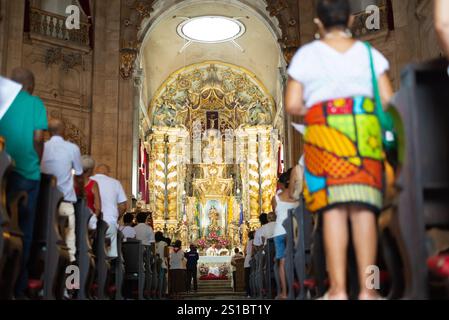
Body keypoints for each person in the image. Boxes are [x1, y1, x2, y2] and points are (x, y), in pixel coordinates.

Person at [285, 0, 394, 300]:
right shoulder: (369, 53)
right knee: (364, 213)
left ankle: (338, 289)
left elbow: (293, 104)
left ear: (318, 23)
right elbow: (387, 99)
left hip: (324, 136)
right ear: (348, 18)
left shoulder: (307, 55)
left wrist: (322, 108)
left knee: (332, 212)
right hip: (363, 137)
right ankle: (369, 290)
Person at [0, 68, 48, 298]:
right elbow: (38, 138)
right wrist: (36, 162)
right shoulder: (35, 103)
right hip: (26, 173)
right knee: (24, 231)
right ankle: (16, 289)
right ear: (30, 86)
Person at [41, 118, 83, 262]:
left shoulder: (42, 147)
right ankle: (70, 281)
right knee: (70, 241)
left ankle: (44, 274)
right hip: (65, 201)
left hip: (45, 201)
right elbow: (79, 175)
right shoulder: (72, 148)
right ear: (63, 131)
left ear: (48, 132)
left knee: (44, 238)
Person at [272, 169, 299, 300]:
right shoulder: (297, 197)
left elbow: (275, 212)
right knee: (298, 258)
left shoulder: (276, 197)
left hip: (279, 231)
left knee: (282, 262)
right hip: (295, 232)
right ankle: (301, 288)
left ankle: (284, 292)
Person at [91, 164, 127, 258]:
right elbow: (123, 206)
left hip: (90, 222)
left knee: (88, 250)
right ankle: (107, 269)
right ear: (108, 173)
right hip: (110, 222)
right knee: (110, 254)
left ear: (95, 171)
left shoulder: (89, 181)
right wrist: (117, 218)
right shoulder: (115, 183)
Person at [80, 155, 102, 229]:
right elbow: (98, 207)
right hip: (88, 218)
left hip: (75, 216)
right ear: (90, 170)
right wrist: (93, 218)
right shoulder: (93, 184)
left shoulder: (73, 181)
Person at [155, 232, 168, 298]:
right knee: (162, 279)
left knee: (157, 279)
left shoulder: (153, 243)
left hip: (154, 263)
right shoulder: (164, 243)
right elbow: (166, 254)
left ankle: (158, 294)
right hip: (162, 262)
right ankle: (162, 294)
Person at [244, 231, 255, 298]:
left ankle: (248, 292)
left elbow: (244, 251)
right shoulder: (254, 241)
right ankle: (252, 292)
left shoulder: (247, 242)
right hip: (251, 258)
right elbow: (253, 250)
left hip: (247, 259)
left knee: (247, 277)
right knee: (252, 276)